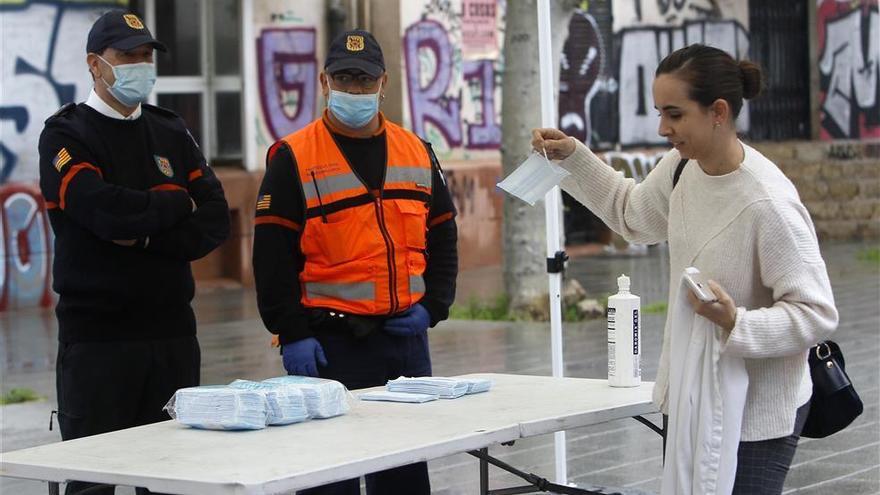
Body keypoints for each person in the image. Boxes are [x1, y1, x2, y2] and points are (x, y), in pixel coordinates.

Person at [532, 44, 838, 494]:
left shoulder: (768, 203)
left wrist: (738, 322)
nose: (662, 128)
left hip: (757, 415)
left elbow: (816, 313)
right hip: (690, 396)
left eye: (674, 115)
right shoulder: (681, 168)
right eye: (659, 112)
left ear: (717, 112)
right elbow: (631, 215)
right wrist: (573, 157)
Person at [253, 29, 458, 495]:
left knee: (404, 477)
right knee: (329, 478)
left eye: (364, 81)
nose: (355, 90)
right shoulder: (293, 157)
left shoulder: (417, 150)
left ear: (383, 83)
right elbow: (271, 257)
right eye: (344, 79)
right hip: (327, 347)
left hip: (403, 344)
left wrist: (434, 306)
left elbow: (444, 232)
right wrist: (291, 332)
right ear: (324, 83)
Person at [38, 10, 230, 495]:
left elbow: (213, 219)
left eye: (146, 55)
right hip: (99, 341)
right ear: (95, 64)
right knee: (93, 481)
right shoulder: (66, 135)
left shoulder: (171, 132)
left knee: (174, 477)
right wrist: (172, 204)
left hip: (171, 336)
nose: (140, 65)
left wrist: (143, 235)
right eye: (127, 55)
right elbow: (101, 212)